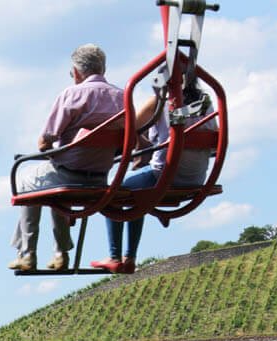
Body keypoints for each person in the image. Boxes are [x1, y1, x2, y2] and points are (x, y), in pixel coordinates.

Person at [9, 44, 124, 272]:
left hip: (68, 175)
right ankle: (61, 253)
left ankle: (27, 253)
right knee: (51, 187)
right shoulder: (121, 97)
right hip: (101, 178)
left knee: (25, 181)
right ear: (103, 69)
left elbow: (45, 141)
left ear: (77, 71)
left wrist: (51, 145)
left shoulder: (72, 95)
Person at [91, 97, 217, 274]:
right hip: (196, 178)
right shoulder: (205, 103)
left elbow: (129, 130)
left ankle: (115, 256)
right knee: (137, 193)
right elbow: (214, 145)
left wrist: (142, 145)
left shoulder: (159, 102)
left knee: (112, 191)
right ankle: (130, 258)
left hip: (164, 177)